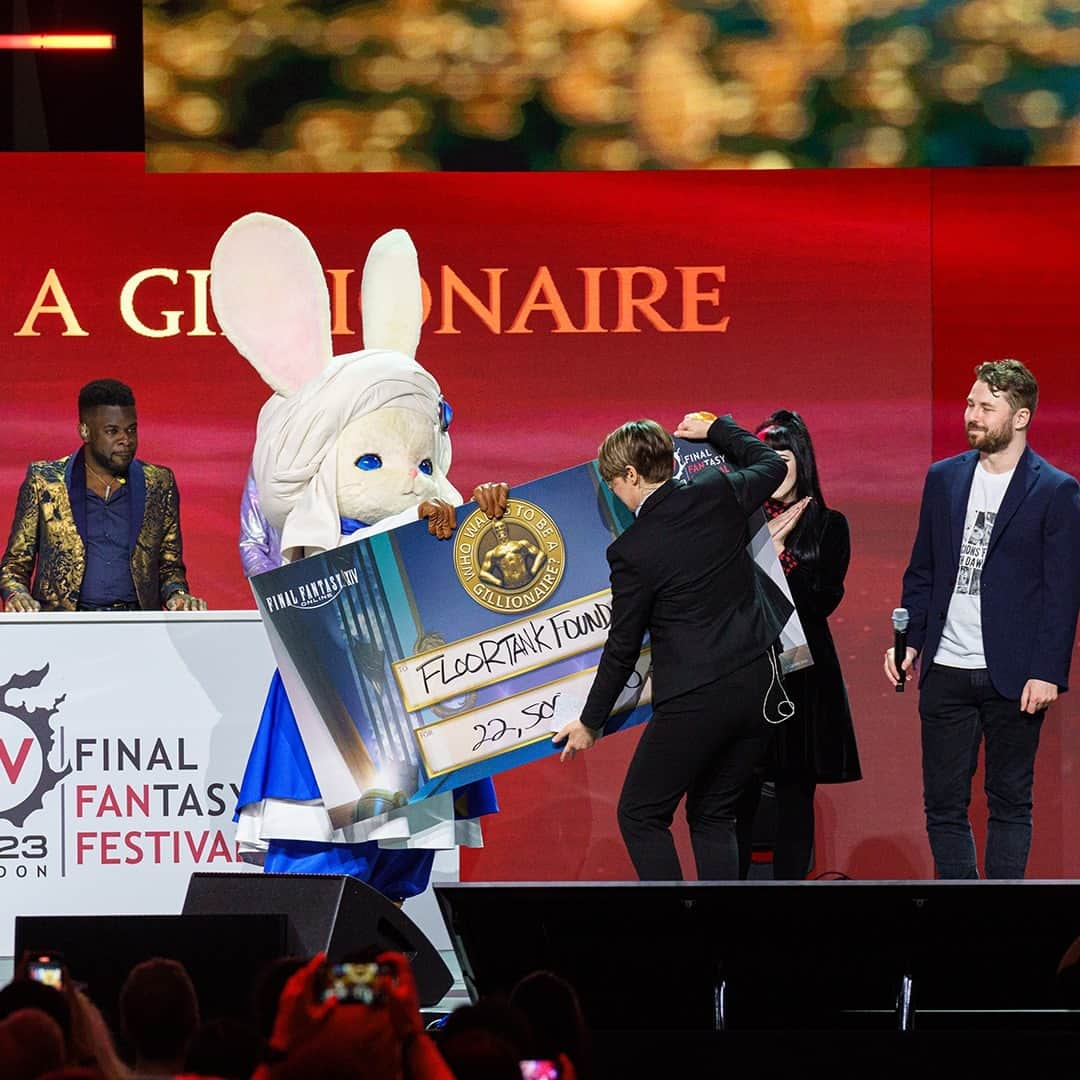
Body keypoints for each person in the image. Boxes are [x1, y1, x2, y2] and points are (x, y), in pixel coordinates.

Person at [553, 413, 792, 881]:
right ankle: (719, 950)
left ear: (632, 476)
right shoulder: (717, 490)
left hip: (696, 700)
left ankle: (677, 938)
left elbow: (622, 647)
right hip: (759, 688)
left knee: (640, 814)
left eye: (613, 483)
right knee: (712, 815)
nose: (614, 494)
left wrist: (590, 722)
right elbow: (771, 464)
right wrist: (717, 428)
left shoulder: (633, 551)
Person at [885, 359, 1080, 879]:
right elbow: (923, 568)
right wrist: (910, 641)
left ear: (1019, 418)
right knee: (944, 806)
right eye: (970, 403)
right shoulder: (943, 478)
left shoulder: (1056, 490)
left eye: (986, 407)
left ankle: (1001, 923)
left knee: (1010, 802)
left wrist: (1048, 671)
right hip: (946, 669)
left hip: (1015, 674)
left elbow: (1063, 592)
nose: (971, 414)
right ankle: (961, 917)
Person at [735, 410, 862, 880]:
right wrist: (759, 544)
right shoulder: (736, 525)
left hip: (801, 675)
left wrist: (774, 555)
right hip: (743, 671)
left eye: (782, 456)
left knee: (793, 795)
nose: (773, 466)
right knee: (737, 793)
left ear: (802, 462)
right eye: (763, 457)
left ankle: (790, 909)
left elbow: (819, 599)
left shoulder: (829, 525)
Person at [0, 378, 206, 612]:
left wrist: (178, 595)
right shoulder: (45, 481)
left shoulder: (159, 483)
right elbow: (14, 566)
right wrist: (17, 595)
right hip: (64, 628)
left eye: (131, 430)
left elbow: (170, 567)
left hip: (139, 628)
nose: (126, 440)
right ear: (85, 431)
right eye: (112, 431)